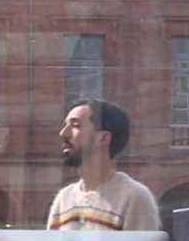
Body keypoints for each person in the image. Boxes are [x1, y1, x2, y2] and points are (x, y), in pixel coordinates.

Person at [47, 99, 160, 231]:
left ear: (103, 138)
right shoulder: (64, 198)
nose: (63, 133)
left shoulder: (134, 197)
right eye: (65, 125)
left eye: (75, 125)